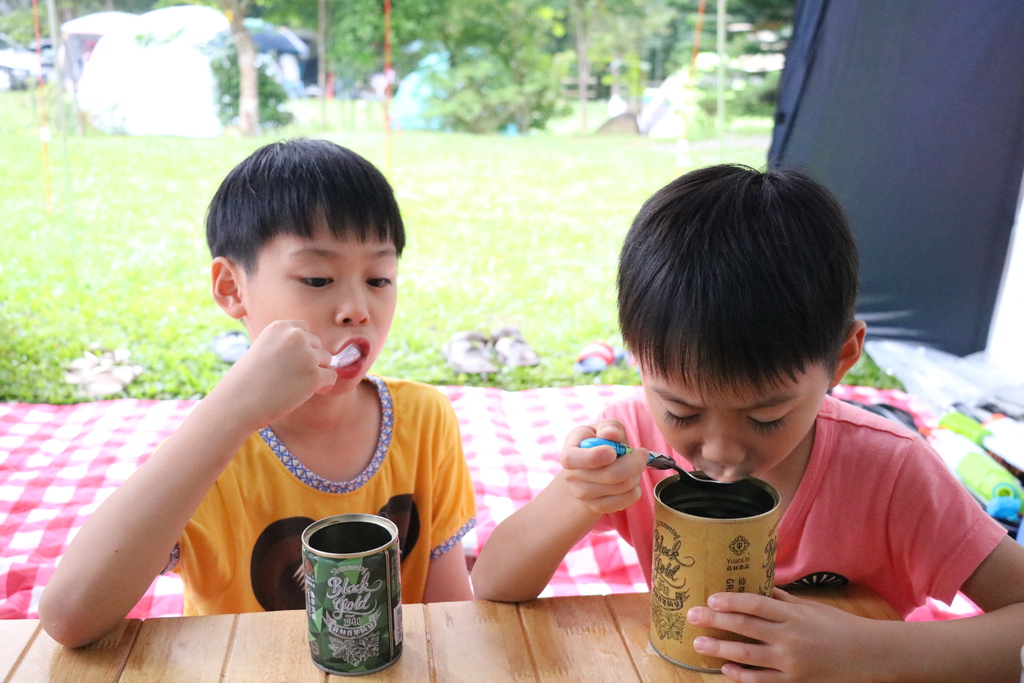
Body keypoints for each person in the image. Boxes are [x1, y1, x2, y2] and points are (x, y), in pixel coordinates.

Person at [471, 164, 1024, 681]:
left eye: (767, 416)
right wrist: (579, 494)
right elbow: (493, 586)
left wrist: (865, 651)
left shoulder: (892, 472)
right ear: (637, 357)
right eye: (682, 412)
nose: (721, 452)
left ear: (842, 359)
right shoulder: (631, 438)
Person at [40, 138, 477, 648]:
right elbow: (70, 618)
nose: (357, 308)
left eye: (379, 279)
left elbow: (452, 620)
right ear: (231, 288)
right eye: (317, 278)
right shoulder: (211, 449)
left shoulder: (424, 418)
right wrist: (231, 411)